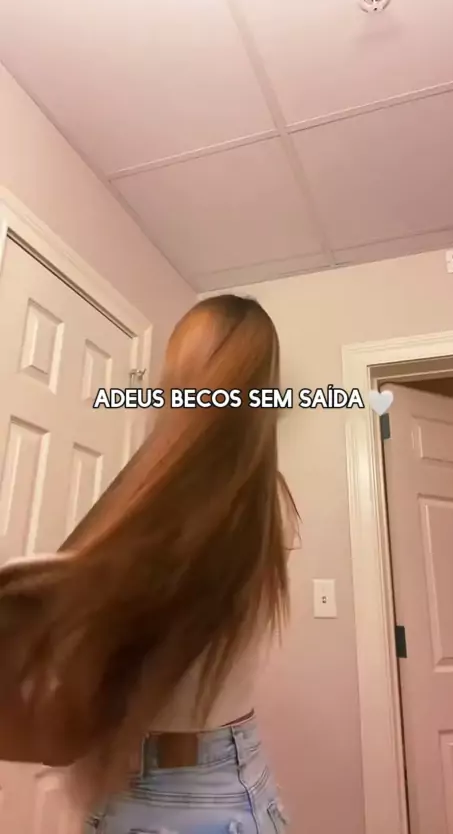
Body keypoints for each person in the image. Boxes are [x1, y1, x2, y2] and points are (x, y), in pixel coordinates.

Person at [0, 294, 298, 833]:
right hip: (195, 778)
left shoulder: (222, 508)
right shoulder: (249, 502)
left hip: (184, 793)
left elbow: (75, 703)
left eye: (176, 373)